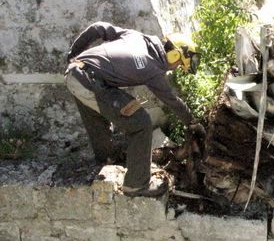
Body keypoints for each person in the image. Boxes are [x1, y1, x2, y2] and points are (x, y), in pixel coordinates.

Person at [64, 21, 204, 197]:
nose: (176, 68)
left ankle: (106, 159)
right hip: (92, 82)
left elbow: (98, 27)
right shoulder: (152, 69)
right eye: (179, 64)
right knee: (141, 124)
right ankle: (136, 185)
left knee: (97, 118)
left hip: (74, 74)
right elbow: (172, 101)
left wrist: (73, 54)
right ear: (174, 55)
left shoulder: (136, 36)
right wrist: (192, 123)